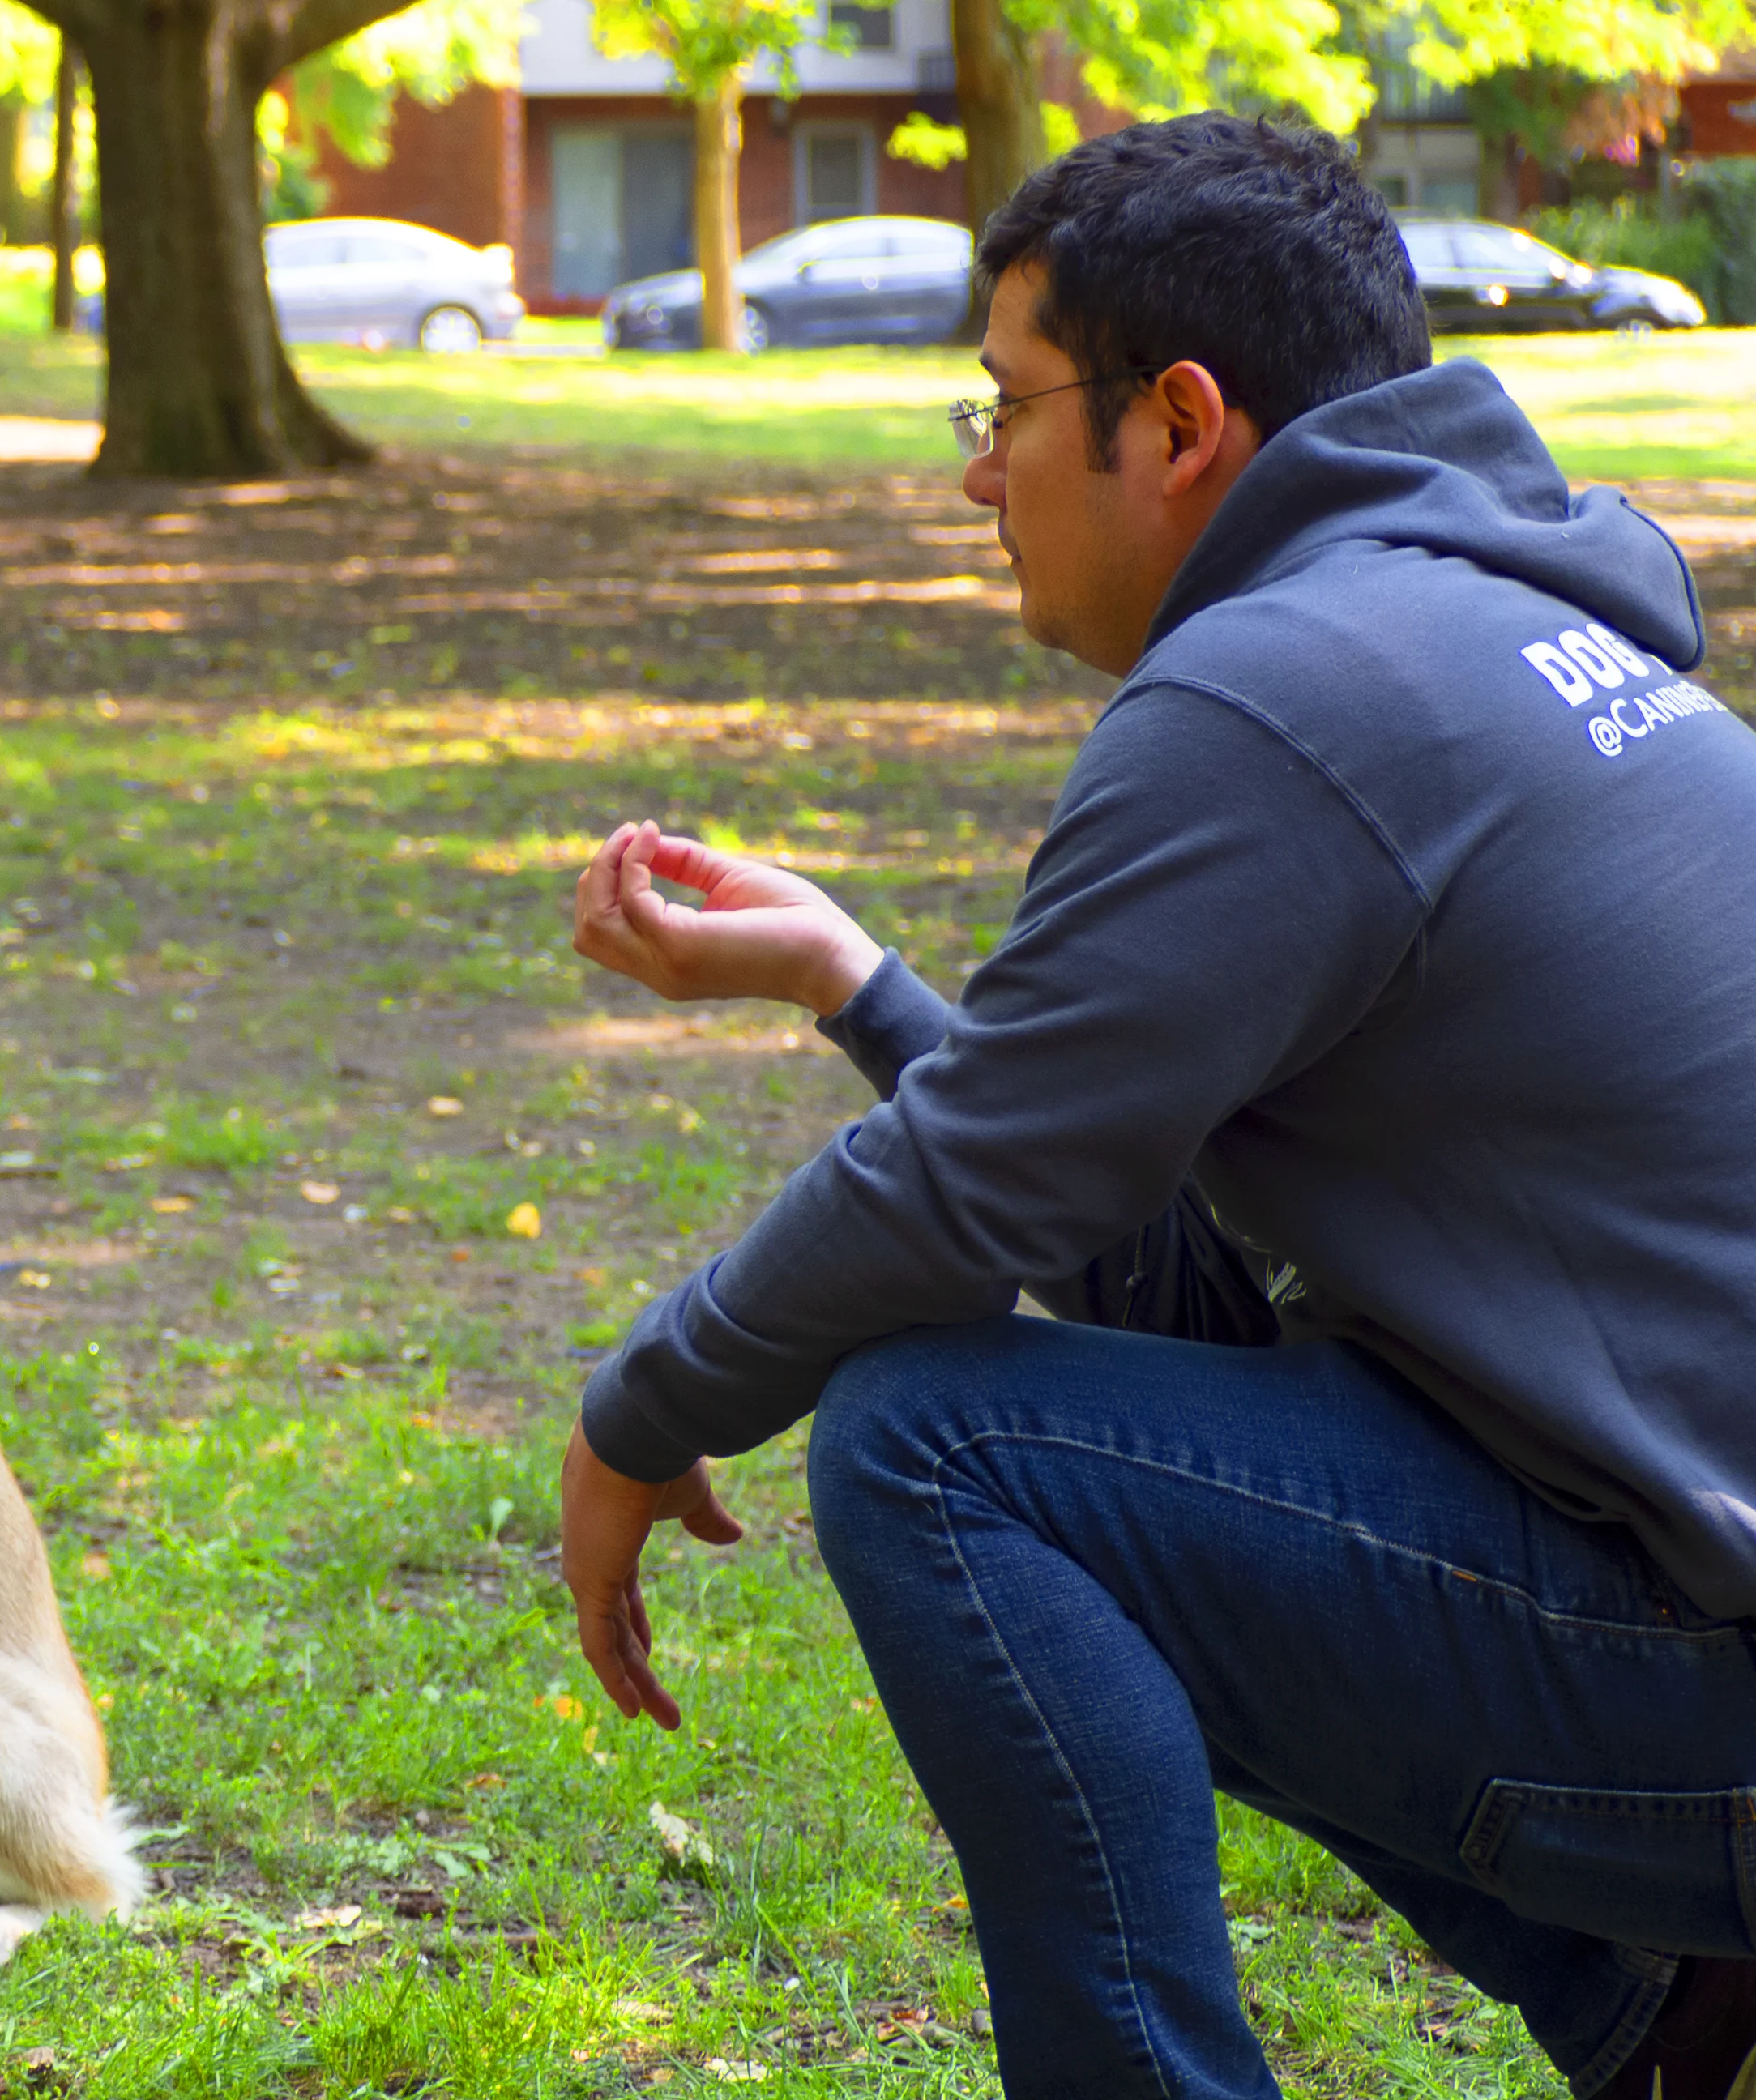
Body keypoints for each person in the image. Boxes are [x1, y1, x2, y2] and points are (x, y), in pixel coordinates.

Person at [553, 115, 1756, 2100]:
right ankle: (1679, 2023)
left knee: (938, 1444)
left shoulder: (1278, 692)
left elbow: (969, 1203)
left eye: (1005, 403)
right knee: (1169, 1450)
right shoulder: (1477, 624)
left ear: (1180, 420)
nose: (973, 469)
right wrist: (850, 982)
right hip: (1688, 1614)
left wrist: (641, 1406)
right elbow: (1153, 1279)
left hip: (1712, 1681)